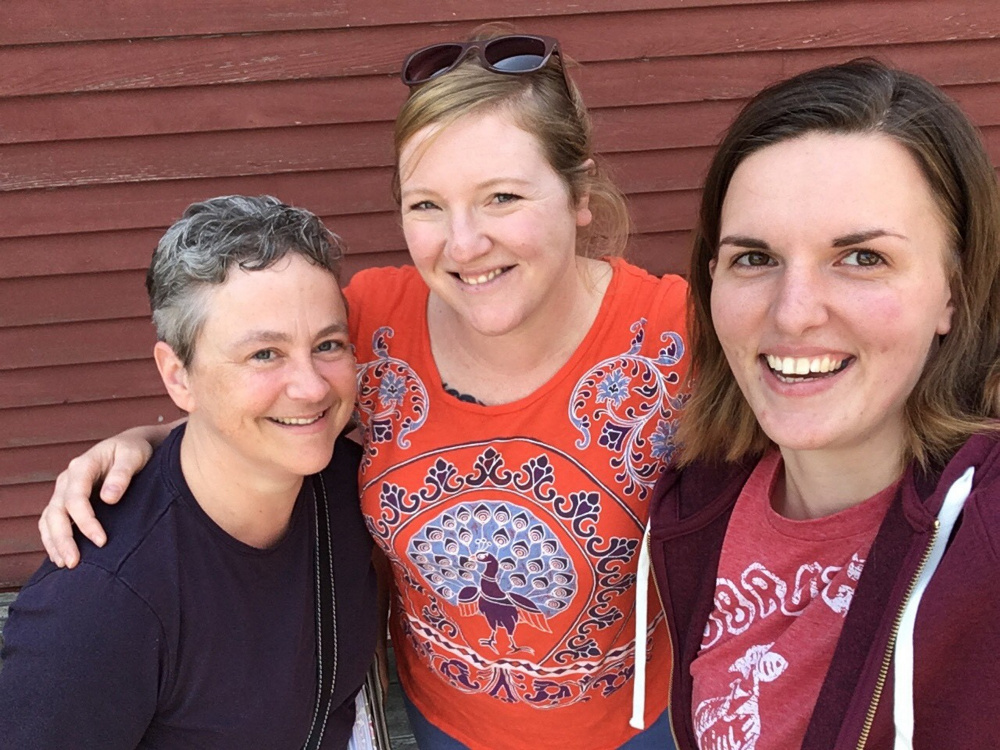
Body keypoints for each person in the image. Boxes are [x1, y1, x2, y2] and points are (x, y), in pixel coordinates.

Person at [33, 33, 686, 750]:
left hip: (635, 722)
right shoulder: (373, 323)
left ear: (579, 194)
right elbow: (272, 391)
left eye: (501, 196)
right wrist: (142, 443)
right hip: (444, 722)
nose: (462, 243)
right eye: (427, 205)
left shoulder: (673, 334)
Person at [640, 60, 1000, 749]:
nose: (794, 312)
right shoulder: (702, 500)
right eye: (755, 258)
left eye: (862, 258)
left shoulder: (982, 543)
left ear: (952, 291)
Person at [0, 196, 377, 749]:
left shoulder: (346, 481)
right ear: (178, 377)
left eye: (328, 344)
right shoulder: (99, 606)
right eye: (264, 355)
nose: (313, 387)